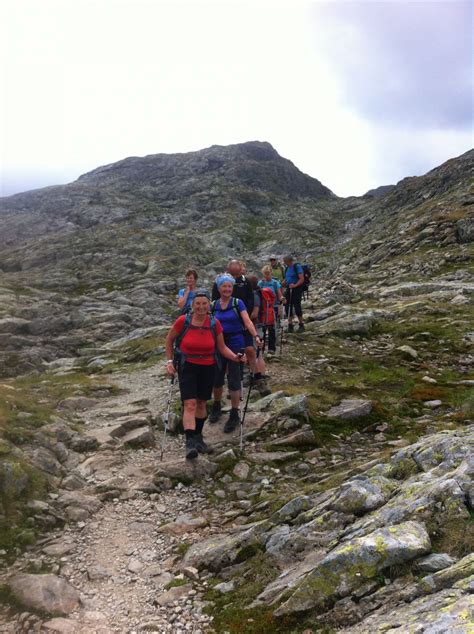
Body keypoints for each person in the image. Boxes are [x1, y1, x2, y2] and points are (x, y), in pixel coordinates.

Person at [165, 289, 245, 459]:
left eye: (204, 304)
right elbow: (169, 339)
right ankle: (190, 443)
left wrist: (235, 357)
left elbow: (222, 348)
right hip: (187, 367)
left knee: (201, 403)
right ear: (192, 306)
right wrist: (170, 361)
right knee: (190, 404)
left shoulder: (215, 324)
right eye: (197, 304)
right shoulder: (183, 321)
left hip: (208, 366)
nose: (201, 307)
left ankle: (199, 438)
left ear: (209, 305)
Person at [209, 274, 262, 431]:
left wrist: (255, 336)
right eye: (224, 287)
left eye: (229, 287)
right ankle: (217, 406)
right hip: (218, 344)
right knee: (217, 377)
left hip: (235, 343)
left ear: (232, 288)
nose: (227, 289)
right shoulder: (213, 305)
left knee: (234, 377)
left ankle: (234, 412)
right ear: (219, 288)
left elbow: (247, 321)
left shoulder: (238, 303)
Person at [211, 259, 256, 376]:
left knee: (249, 350)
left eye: (238, 273)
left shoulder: (245, 282)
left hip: (242, 322)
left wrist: (249, 316)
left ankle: (255, 374)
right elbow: (214, 302)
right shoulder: (219, 284)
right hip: (224, 328)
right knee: (227, 356)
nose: (236, 276)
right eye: (233, 274)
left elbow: (251, 298)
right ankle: (231, 378)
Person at [247, 275, 271, 396]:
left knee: (256, 353)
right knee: (258, 353)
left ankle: (259, 377)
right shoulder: (257, 293)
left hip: (255, 327)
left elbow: (255, 314)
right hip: (259, 325)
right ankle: (260, 375)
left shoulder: (254, 295)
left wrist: (245, 320)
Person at [258, 265, 285, 354]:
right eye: (265, 274)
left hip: (274, 306)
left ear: (271, 273)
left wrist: (281, 298)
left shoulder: (275, 283)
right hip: (263, 308)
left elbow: (279, 293)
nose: (267, 276)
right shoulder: (261, 283)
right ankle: (261, 347)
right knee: (262, 327)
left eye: (268, 274)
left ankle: (271, 348)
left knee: (272, 327)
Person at [283, 255, 305, 332]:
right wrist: (282, 284)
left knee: (297, 305)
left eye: (285, 261)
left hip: (297, 289)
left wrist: (295, 285)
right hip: (289, 288)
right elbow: (286, 279)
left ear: (289, 261)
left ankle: (301, 324)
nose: (284, 262)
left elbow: (302, 279)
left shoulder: (297, 267)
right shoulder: (286, 268)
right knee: (287, 305)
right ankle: (290, 325)